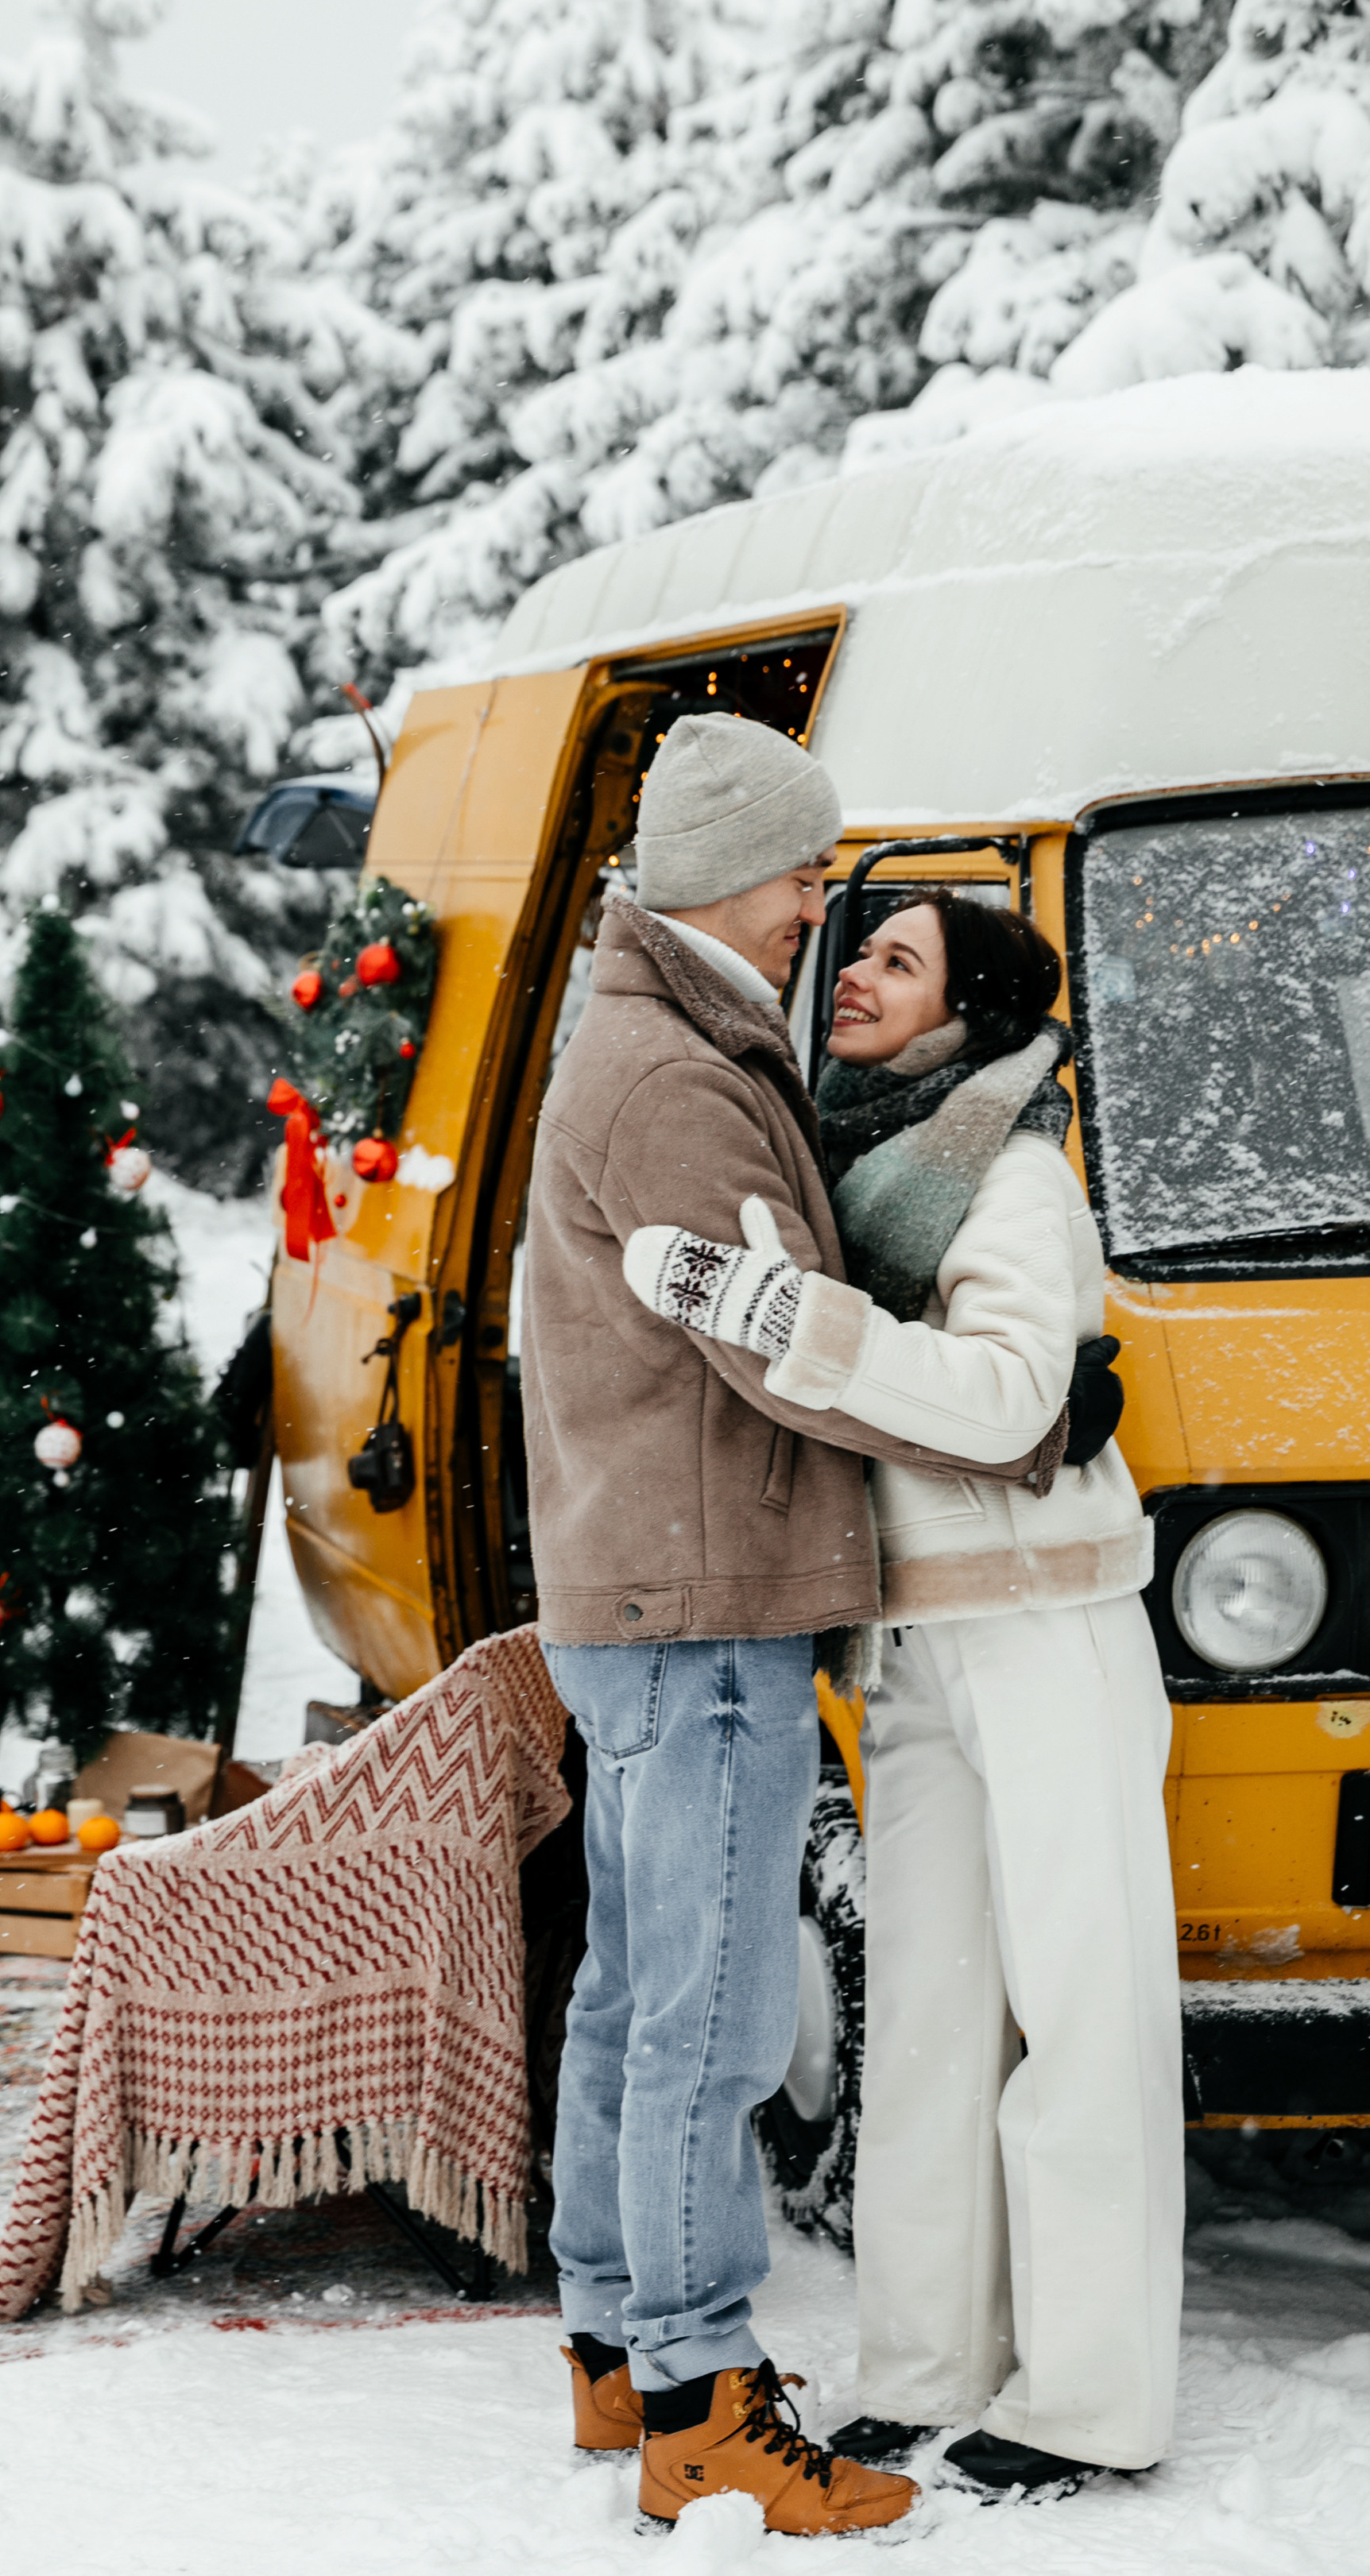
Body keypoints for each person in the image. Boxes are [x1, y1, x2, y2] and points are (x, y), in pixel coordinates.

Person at [520, 717, 1066, 2539]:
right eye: (801, 876)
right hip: (707, 1592)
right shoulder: (678, 1074)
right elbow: (781, 1338)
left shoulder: (656, 1034)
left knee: (631, 1989)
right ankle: (699, 2395)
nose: (815, 911)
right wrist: (1021, 1417)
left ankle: (615, 2338)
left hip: (644, 1582)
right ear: (722, 872)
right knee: (716, 2014)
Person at [623, 886, 1182, 2501]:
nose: (854, 973)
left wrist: (796, 1321)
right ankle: (929, 2357)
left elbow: (1013, 1399)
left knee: (1085, 2011)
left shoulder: (1010, 1176)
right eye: (854, 948)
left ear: (969, 1014)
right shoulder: (854, 1173)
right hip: (922, 1641)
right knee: (928, 2017)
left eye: (898, 959)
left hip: (1052, 1626)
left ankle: (1093, 2394)